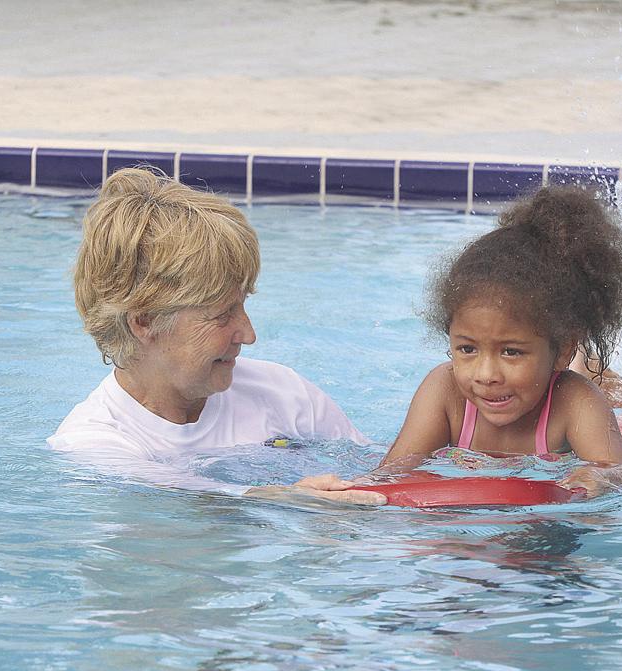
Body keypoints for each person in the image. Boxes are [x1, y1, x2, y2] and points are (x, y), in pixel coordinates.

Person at [48, 167, 383, 506]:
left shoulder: (284, 393)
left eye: (242, 305)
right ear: (145, 321)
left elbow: (381, 477)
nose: (248, 334)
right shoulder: (90, 445)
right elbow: (177, 495)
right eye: (223, 315)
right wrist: (287, 499)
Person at [378, 185, 622, 497]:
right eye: (467, 349)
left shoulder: (575, 402)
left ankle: (595, 371)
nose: (486, 374)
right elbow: (391, 474)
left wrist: (603, 476)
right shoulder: (445, 391)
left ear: (563, 350)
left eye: (511, 352)